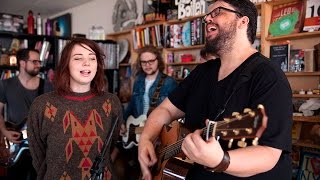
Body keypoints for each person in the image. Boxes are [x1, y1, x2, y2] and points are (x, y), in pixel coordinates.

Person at [138, 0, 293, 179]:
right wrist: (146, 139)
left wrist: (221, 160)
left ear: (243, 21)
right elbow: (165, 109)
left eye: (217, 12)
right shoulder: (202, 72)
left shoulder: (269, 77)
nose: (207, 19)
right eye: (206, 16)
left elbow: (269, 153)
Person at [27, 38, 123, 179]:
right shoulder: (42, 105)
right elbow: (38, 157)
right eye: (78, 58)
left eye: (92, 58)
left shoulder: (111, 102)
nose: (87, 63)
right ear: (66, 64)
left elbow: (111, 145)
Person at [115, 45, 178, 179]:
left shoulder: (169, 83)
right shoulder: (138, 81)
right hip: (136, 131)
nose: (147, 65)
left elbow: (175, 112)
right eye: (144, 62)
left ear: (158, 61)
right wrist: (123, 122)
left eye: (151, 61)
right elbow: (132, 105)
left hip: (157, 135)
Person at [0, 48, 52, 179]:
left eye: (39, 62)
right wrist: (4, 131)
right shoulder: (6, 85)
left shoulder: (47, 86)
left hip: (40, 148)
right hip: (15, 145)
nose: (39, 65)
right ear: (22, 63)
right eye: (34, 62)